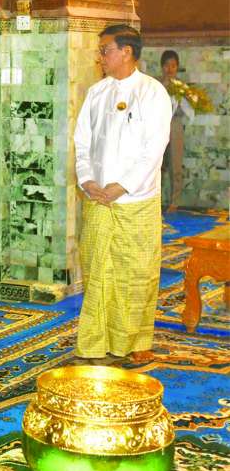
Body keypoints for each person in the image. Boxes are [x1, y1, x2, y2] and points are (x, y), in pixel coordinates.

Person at [73, 25, 172, 364]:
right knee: (98, 271)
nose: (99, 57)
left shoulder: (152, 93)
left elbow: (154, 149)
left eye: (105, 50)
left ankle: (137, 340)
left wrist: (122, 186)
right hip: (98, 199)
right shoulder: (96, 92)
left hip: (135, 201)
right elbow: (82, 142)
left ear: (127, 52)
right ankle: (95, 343)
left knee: (135, 273)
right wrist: (87, 180)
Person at [158, 50, 193, 212]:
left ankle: (174, 202)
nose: (170, 69)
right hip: (157, 127)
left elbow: (188, 108)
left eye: (173, 65)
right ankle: (154, 200)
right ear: (162, 67)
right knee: (157, 166)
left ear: (177, 67)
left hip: (175, 126)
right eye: (166, 65)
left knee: (175, 165)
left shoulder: (181, 87)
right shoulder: (155, 85)